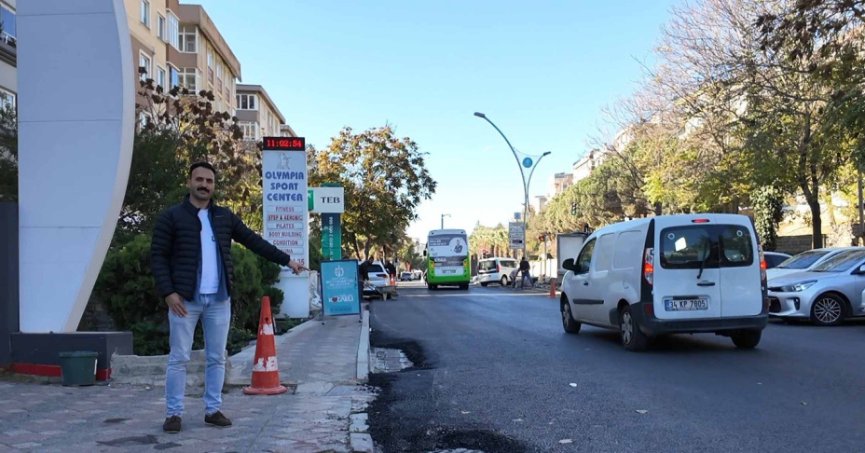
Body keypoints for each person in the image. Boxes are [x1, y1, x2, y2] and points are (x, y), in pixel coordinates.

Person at [151, 161, 305, 434]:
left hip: (219, 300)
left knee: (217, 357)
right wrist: (169, 292)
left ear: (213, 185)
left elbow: (253, 241)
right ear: (189, 182)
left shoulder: (223, 217)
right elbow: (158, 257)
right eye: (199, 179)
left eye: (209, 181)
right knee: (179, 358)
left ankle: (213, 409)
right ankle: (173, 413)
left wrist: (287, 260)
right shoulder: (171, 217)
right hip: (184, 300)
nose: (204, 185)